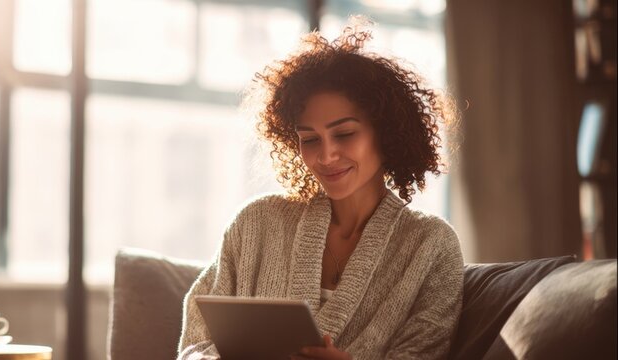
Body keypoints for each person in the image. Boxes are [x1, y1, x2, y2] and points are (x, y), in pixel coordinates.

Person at [177, 18, 463, 360]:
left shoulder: (431, 245)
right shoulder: (254, 223)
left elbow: (423, 353)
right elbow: (195, 346)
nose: (325, 155)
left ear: (386, 133)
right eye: (309, 139)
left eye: (344, 134)